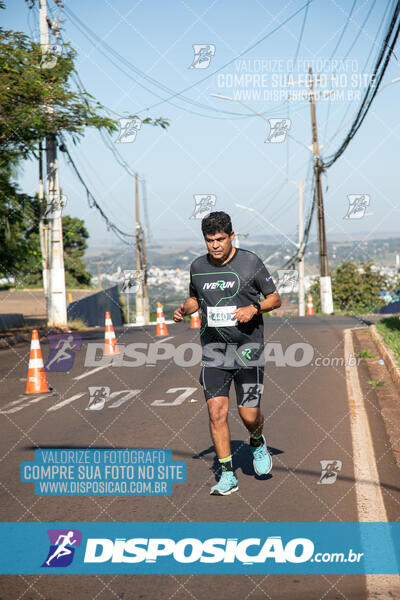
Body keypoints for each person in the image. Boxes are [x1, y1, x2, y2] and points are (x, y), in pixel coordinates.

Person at [174, 211, 281, 495]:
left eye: (220, 239)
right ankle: (226, 474)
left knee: (249, 416)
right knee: (216, 411)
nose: (215, 245)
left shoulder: (250, 262)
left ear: (231, 236)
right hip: (214, 351)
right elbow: (195, 298)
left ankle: (257, 441)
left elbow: (275, 298)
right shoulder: (198, 266)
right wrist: (185, 309)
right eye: (210, 240)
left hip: (248, 350)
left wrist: (254, 308)